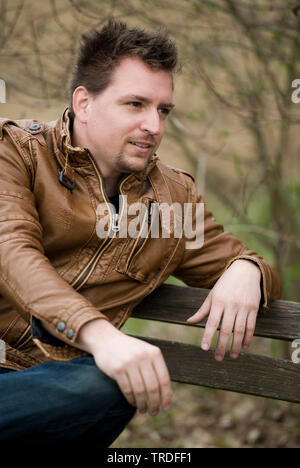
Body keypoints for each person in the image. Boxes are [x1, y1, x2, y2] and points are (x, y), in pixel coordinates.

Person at [0, 18, 282, 443]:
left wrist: (247, 270)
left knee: (110, 386)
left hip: (60, 390)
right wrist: (104, 339)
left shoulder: (173, 200)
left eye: (163, 110)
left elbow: (247, 261)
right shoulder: (16, 154)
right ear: (84, 103)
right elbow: (12, 251)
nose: (154, 125)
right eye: (135, 104)